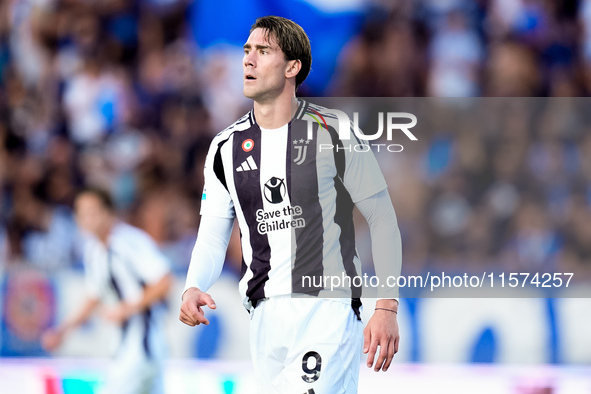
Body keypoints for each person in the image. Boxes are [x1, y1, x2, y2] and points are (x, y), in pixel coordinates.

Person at [180, 16, 402, 393]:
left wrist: (386, 306)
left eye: (263, 51)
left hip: (325, 308)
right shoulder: (224, 147)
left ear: (292, 67)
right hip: (264, 315)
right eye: (247, 50)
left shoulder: (335, 132)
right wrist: (193, 285)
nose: (248, 60)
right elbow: (214, 235)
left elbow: (382, 218)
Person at [42, 187, 173, 394]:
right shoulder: (93, 250)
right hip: (126, 346)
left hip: (142, 345)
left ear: (109, 212)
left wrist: (127, 308)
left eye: (92, 212)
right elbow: (94, 296)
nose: (87, 219)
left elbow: (164, 281)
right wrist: (63, 330)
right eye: (82, 213)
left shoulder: (128, 241)